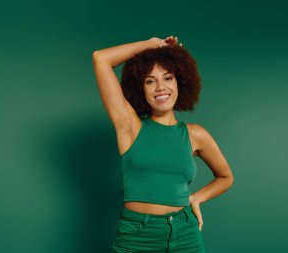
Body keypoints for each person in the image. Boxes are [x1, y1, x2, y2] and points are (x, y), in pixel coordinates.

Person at [92, 36, 234, 253]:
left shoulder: (195, 134)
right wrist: (151, 45)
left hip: (185, 231)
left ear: (180, 82)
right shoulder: (129, 126)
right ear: (141, 88)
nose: (161, 87)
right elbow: (100, 58)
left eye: (167, 78)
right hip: (137, 236)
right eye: (150, 81)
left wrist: (196, 198)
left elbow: (225, 177)